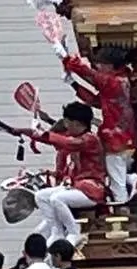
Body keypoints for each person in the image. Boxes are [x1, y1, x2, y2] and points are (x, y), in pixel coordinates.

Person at [63, 44, 136, 205]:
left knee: (117, 181)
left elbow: (91, 75)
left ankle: (121, 208)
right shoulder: (122, 80)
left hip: (115, 139)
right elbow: (96, 101)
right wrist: (74, 85)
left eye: (101, 64)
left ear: (110, 65)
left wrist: (68, 59)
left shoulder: (113, 82)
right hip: (124, 137)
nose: (98, 67)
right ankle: (132, 185)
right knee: (119, 176)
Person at [29, 101, 107, 245]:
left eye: (67, 122)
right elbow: (61, 142)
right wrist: (33, 134)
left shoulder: (90, 139)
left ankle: (74, 232)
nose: (65, 125)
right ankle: (56, 231)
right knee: (40, 196)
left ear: (78, 123)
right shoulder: (75, 141)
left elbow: (66, 142)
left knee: (56, 199)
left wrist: (40, 133)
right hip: (76, 187)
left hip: (93, 189)